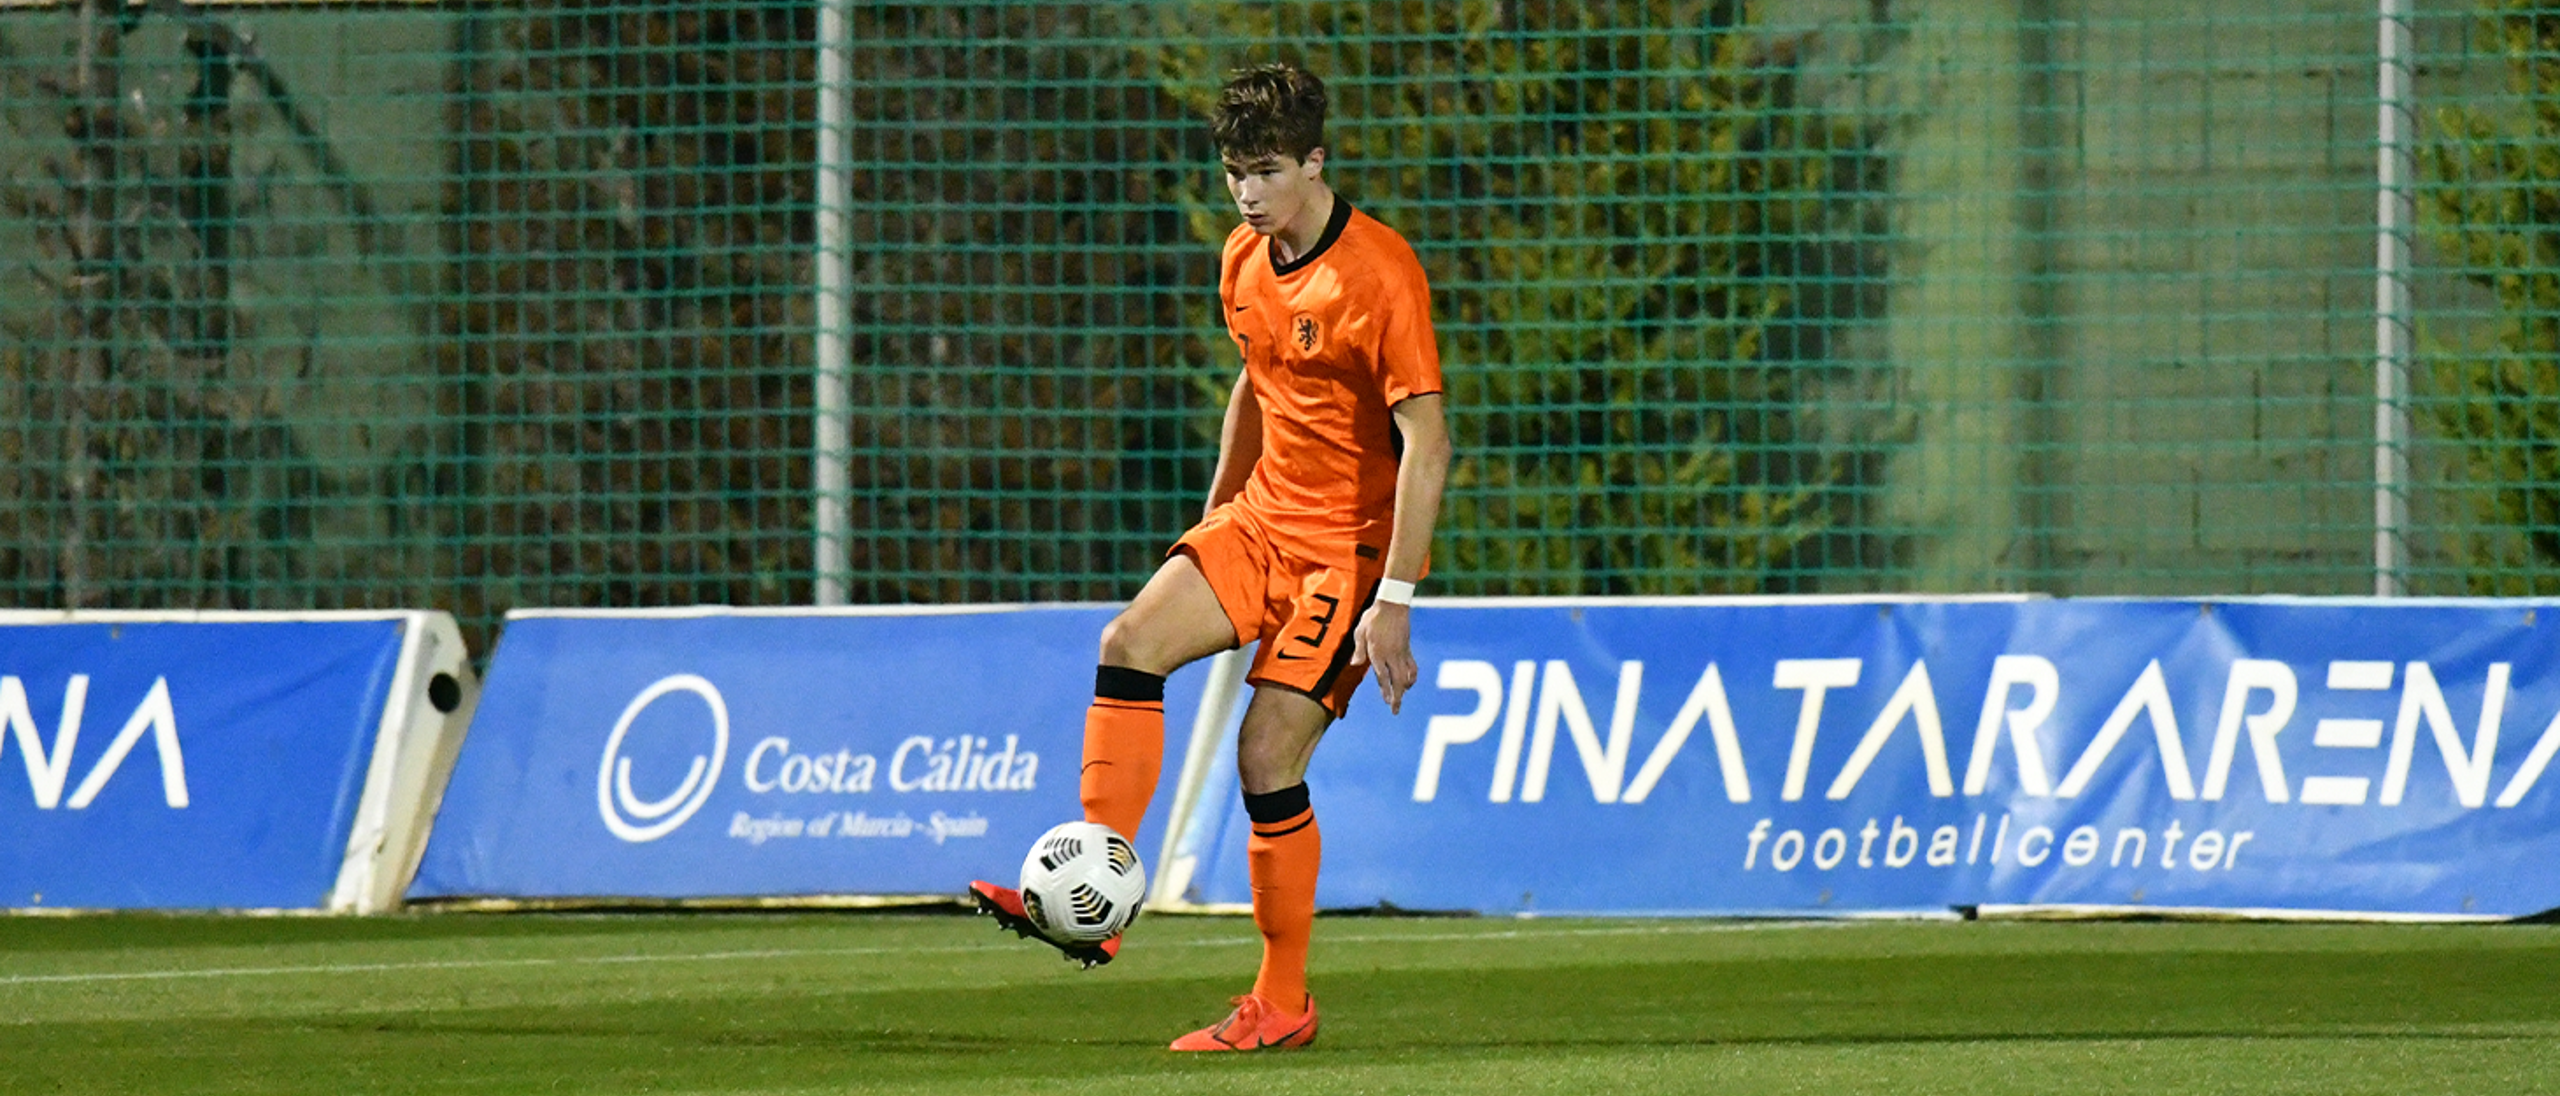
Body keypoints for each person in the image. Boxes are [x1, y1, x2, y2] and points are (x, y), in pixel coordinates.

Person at [969, 60, 1450, 1052]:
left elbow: (1430, 443)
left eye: (1266, 171)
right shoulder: (1242, 257)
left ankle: (1282, 1003)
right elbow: (1257, 382)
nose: (1247, 193)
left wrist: (1395, 598)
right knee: (1129, 639)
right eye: (1234, 173)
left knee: (1265, 754)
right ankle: (1096, 890)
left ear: (1314, 163)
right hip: (1261, 522)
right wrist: (1217, 519)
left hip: (1345, 554)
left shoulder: (1380, 272)